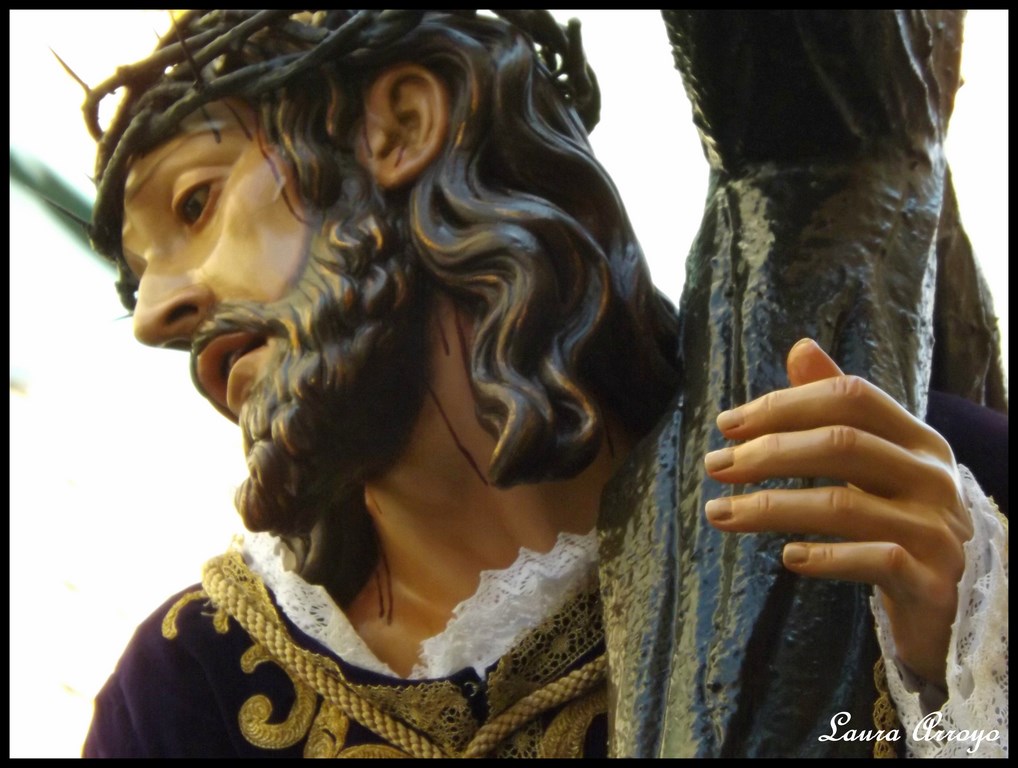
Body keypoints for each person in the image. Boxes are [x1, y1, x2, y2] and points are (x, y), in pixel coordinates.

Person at [79, 10, 1006, 758]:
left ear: (400, 125)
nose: (160, 313)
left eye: (196, 203)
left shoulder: (917, 498)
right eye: (140, 282)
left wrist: (961, 682)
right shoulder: (187, 693)